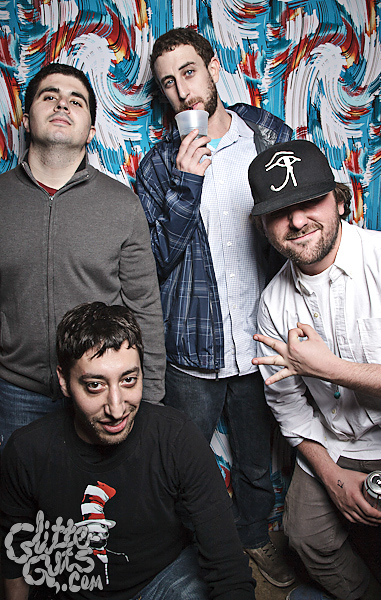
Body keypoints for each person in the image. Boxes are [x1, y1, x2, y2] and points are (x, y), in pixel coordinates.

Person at [136, 27, 294, 588]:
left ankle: (253, 539)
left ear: (212, 69)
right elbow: (153, 261)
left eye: (189, 72)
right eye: (168, 83)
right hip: (191, 349)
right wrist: (186, 183)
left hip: (261, 342)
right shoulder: (159, 165)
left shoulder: (267, 136)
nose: (182, 91)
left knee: (255, 462)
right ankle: (189, 559)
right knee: (179, 465)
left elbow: (303, 223)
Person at [0, 302, 256, 600]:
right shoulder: (27, 451)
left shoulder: (176, 438)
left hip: (162, 580)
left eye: (128, 380)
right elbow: (14, 560)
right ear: (64, 381)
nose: (117, 408)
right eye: (95, 385)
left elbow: (228, 566)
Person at [249, 139, 381, 600]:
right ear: (264, 226)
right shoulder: (272, 304)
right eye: (279, 212)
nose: (296, 222)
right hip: (337, 444)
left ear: (339, 200)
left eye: (309, 202)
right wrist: (332, 479)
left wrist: (329, 368)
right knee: (306, 537)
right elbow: (290, 410)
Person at [0, 63, 165, 450]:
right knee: (20, 489)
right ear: (26, 121)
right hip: (15, 392)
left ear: (91, 130)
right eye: (49, 96)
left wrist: (151, 399)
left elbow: (144, 306)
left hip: (102, 394)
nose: (62, 104)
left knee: (101, 490)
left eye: (76, 101)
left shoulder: (123, 204)